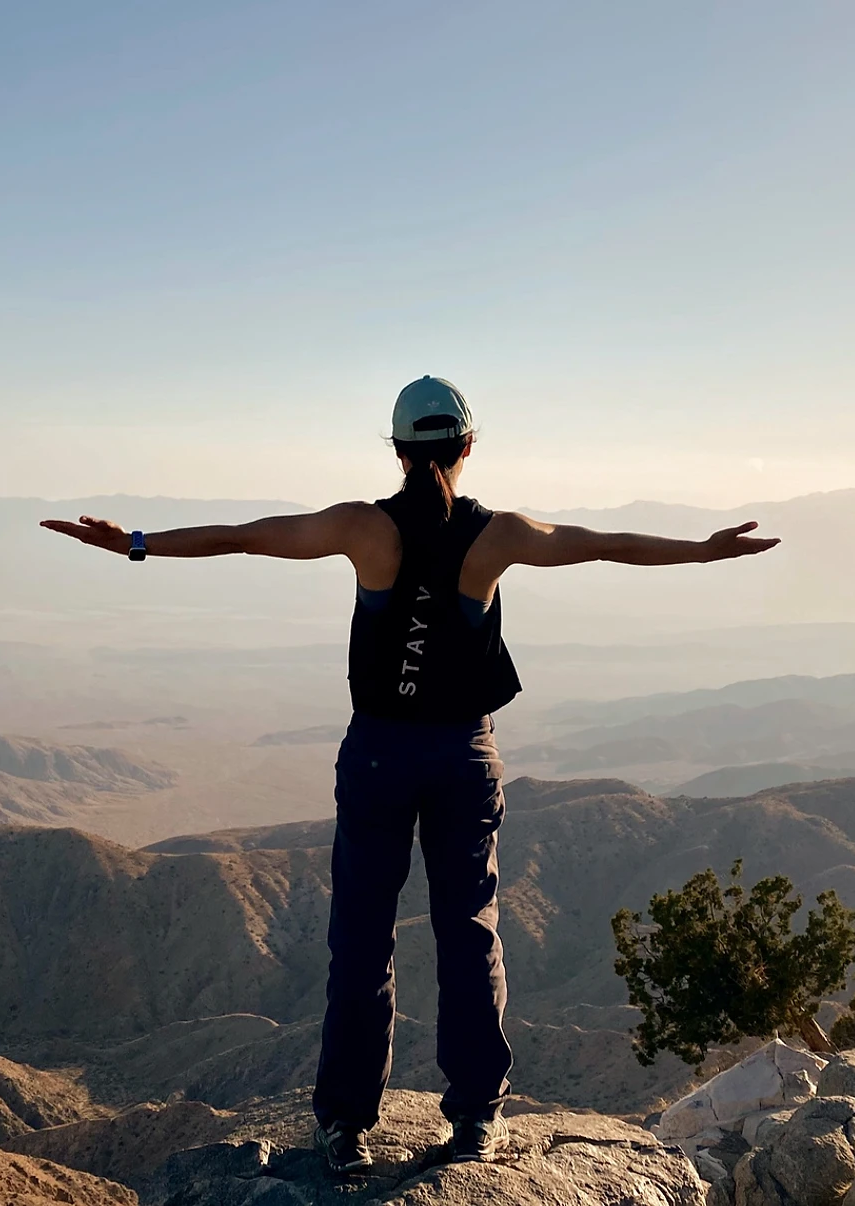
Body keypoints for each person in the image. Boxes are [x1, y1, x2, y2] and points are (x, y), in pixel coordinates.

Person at [41, 376, 779, 1171]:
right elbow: (604, 543)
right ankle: (476, 1119)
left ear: (396, 451)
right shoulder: (500, 536)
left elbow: (249, 535)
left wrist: (136, 543)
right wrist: (704, 551)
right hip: (463, 754)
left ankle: (346, 1126)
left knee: (362, 940)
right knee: (470, 932)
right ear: (467, 446)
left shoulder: (364, 528)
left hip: (380, 755)